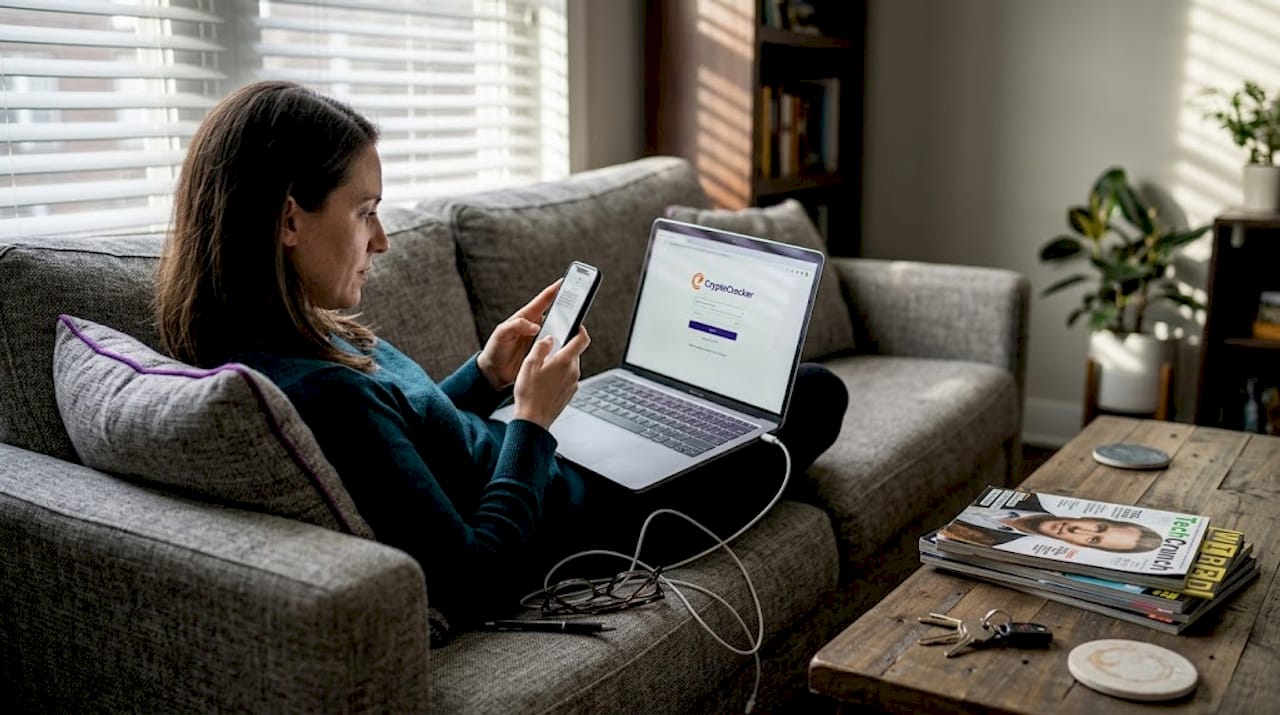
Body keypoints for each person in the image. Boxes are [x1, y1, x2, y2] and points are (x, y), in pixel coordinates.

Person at [155, 81, 848, 631]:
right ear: (286, 219)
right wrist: (535, 424)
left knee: (730, 401)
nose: (383, 240)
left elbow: (410, 433)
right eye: (365, 211)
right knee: (816, 393)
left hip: (536, 458)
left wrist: (485, 373)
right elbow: (475, 580)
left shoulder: (292, 334)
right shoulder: (319, 393)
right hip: (583, 516)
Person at [946, 493, 1162, 553]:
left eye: (1093, 539)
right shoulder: (1031, 498)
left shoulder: (997, 546)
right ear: (1092, 518)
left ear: (1082, 545)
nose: (1076, 529)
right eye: (1099, 528)